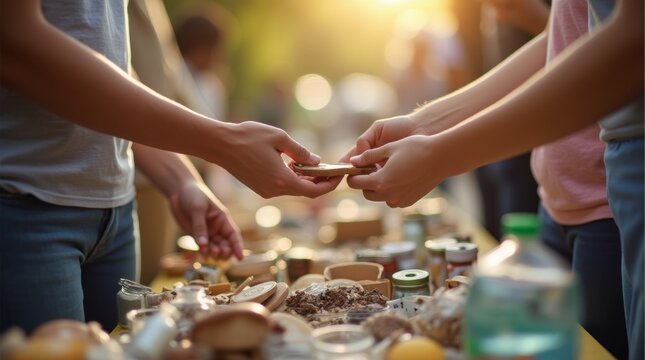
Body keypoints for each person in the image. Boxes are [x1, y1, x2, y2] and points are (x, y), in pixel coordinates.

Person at [0, 0, 340, 334]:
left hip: (117, 215)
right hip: (26, 207)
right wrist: (225, 144)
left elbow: (108, 66)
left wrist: (180, 179)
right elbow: (14, 39)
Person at [343, 0, 642, 358]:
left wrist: (440, 155)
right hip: (557, 203)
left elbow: (633, 44)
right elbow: (565, 40)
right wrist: (423, 124)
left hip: (608, 202)